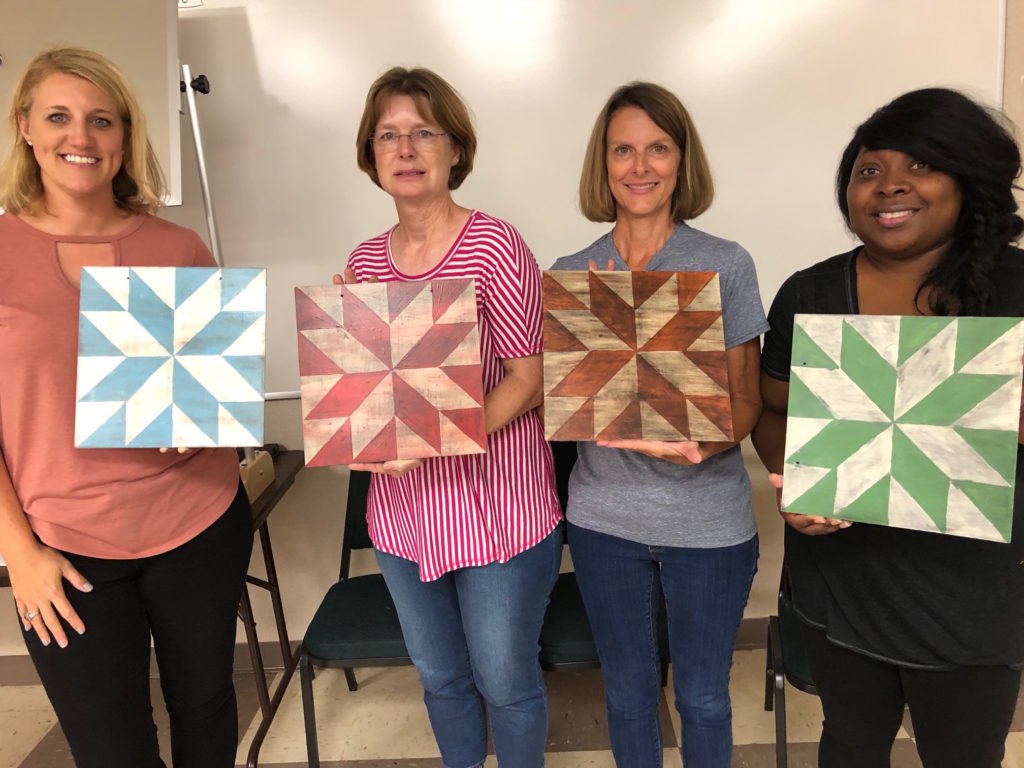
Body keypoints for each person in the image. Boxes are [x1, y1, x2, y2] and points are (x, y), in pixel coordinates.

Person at [752, 88, 1024, 767]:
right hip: (843, 585)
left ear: (967, 179)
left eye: (920, 165)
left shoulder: (1016, 289)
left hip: (974, 600)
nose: (890, 185)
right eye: (868, 170)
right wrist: (799, 484)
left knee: (963, 755)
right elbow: (775, 409)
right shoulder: (810, 294)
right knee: (847, 745)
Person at [0, 48, 253, 767]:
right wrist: (19, 552)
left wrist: (201, 421)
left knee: (205, 707)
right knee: (110, 747)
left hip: (197, 524)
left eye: (101, 120)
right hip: (64, 548)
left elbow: (215, 402)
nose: (80, 136)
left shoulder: (178, 248)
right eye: (58, 116)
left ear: (123, 136)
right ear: (24, 127)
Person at [340, 67, 562, 768]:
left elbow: (529, 380)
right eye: (388, 135)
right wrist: (347, 422)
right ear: (371, 155)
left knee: (506, 682)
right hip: (404, 519)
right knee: (441, 679)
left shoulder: (496, 245)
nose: (406, 149)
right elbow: (370, 397)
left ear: (455, 150)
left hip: (500, 510)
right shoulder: (364, 261)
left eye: (423, 132)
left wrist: (433, 441)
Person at [550, 82, 767, 768]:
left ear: (682, 161)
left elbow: (748, 402)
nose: (640, 166)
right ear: (602, 163)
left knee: (702, 698)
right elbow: (557, 400)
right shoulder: (571, 273)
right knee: (627, 695)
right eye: (623, 149)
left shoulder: (724, 263)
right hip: (605, 519)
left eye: (658, 148)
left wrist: (705, 442)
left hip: (707, 520)